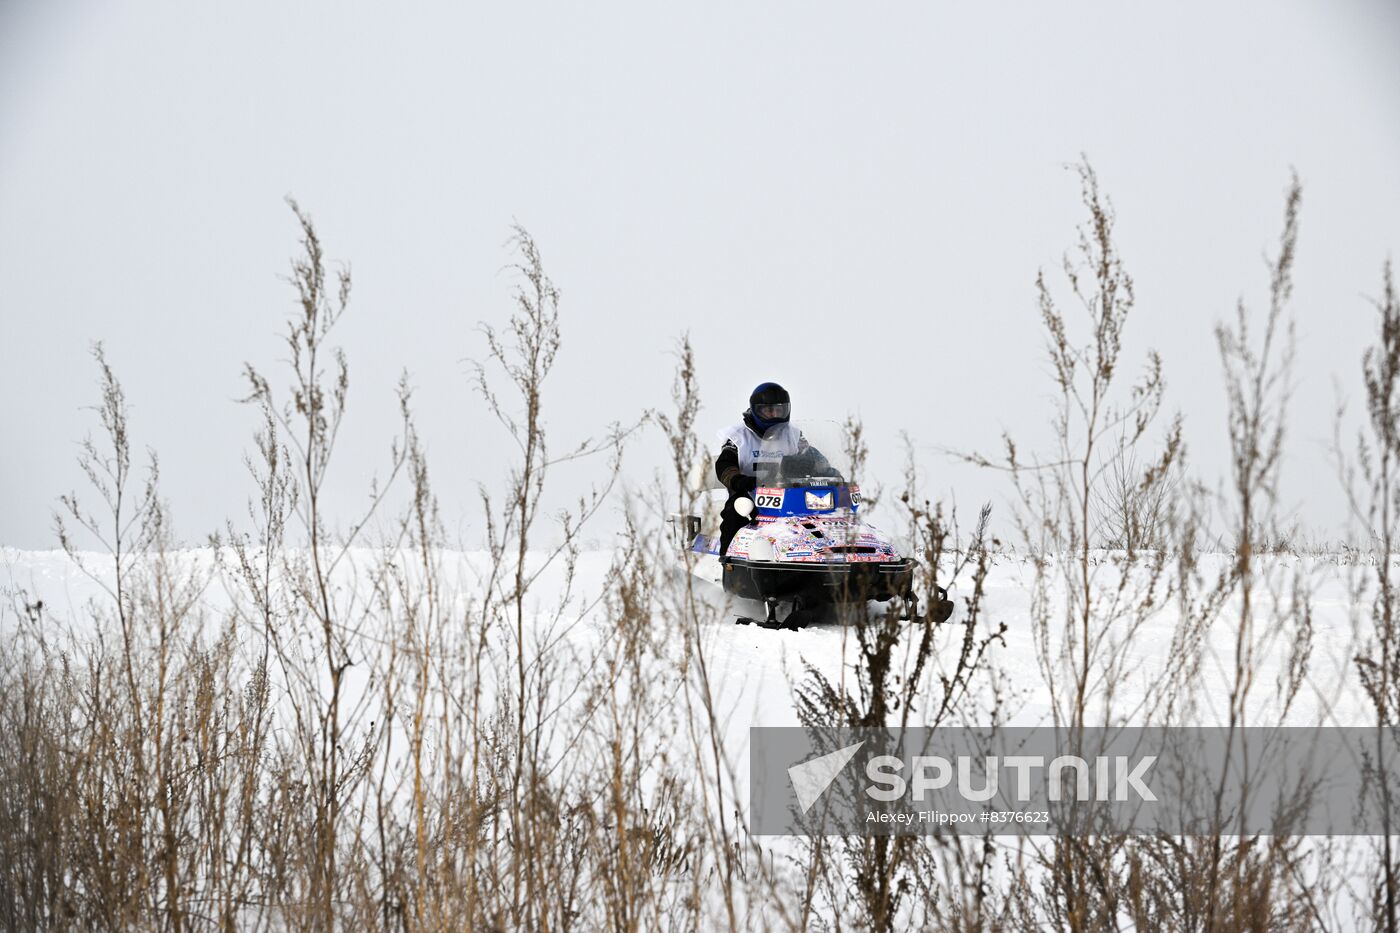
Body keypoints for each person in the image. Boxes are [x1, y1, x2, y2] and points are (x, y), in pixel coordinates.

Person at [714, 382, 806, 556]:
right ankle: (728, 562)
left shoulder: (793, 435)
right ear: (757, 410)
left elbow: (812, 457)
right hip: (750, 494)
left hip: (789, 496)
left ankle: (821, 553)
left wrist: (830, 471)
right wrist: (738, 480)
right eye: (769, 410)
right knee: (735, 512)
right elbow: (725, 465)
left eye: (779, 410)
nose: (774, 415)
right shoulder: (738, 437)